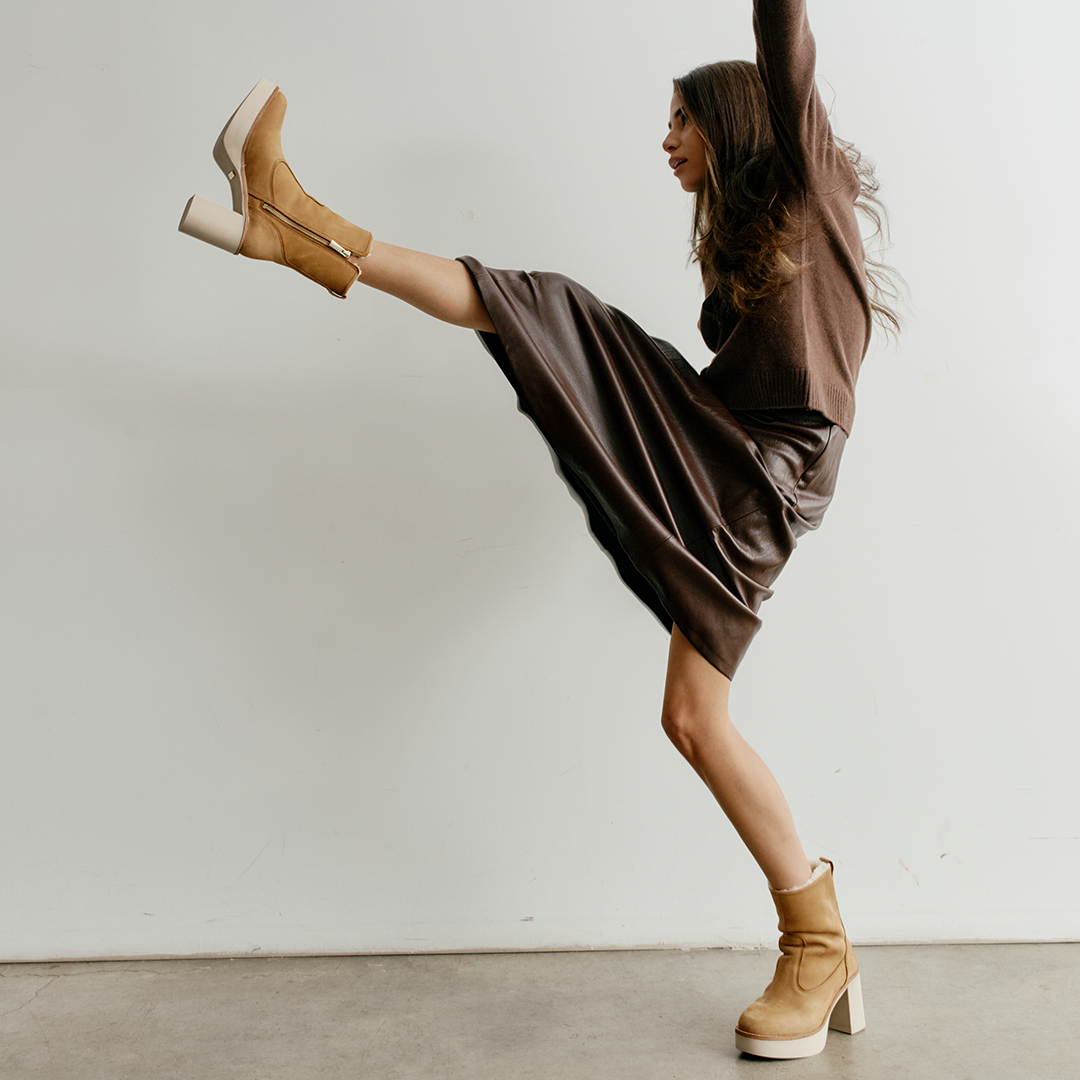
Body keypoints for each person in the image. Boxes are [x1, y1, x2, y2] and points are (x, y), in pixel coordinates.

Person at [179, 0, 897, 1060]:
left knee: (549, 313)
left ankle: (819, 944)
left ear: (736, 122)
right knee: (691, 717)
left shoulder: (812, 185)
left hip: (759, 477)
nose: (666, 138)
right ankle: (296, 226)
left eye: (682, 119)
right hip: (723, 444)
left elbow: (785, 41)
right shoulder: (750, 243)